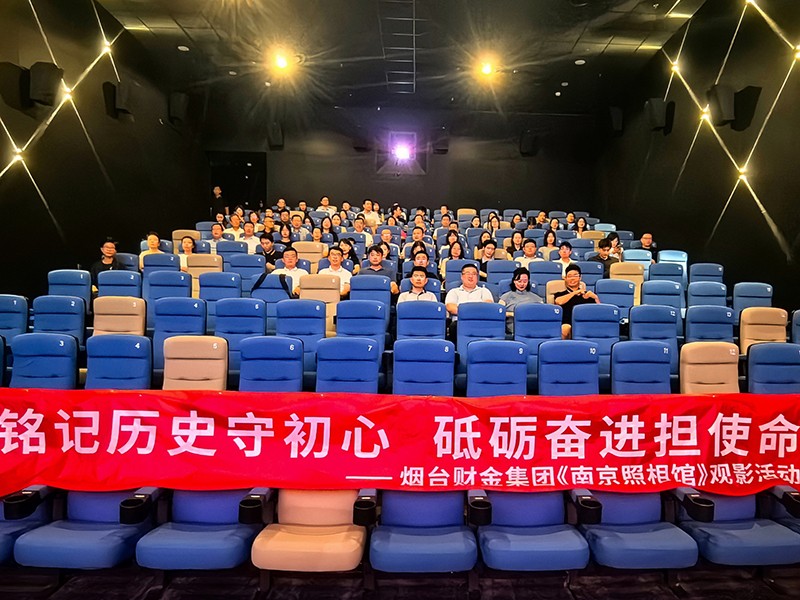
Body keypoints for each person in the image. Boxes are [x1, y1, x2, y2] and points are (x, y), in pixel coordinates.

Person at [444, 263, 494, 339]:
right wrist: (475, 312)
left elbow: (488, 307)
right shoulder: (454, 292)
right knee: (453, 326)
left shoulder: (484, 291)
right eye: (468, 273)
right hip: (460, 323)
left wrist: (466, 311)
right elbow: (451, 308)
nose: (471, 276)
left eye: (474, 274)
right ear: (462, 276)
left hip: (480, 322)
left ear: (477, 277)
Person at [554, 264, 600, 339]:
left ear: (580, 277)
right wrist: (575, 292)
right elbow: (559, 302)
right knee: (565, 328)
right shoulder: (560, 294)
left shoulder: (588, 295)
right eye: (569, 276)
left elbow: (599, 312)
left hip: (585, 325)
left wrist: (596, 298)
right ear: (565, 278)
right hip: (568, 326)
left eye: (575, 276)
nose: (572, 278)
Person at [499, 267, 543, 333]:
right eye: (519, 281)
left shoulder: (537, 298)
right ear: (514, 281)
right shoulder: (505, 297)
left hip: (534, 325)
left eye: (525, 281)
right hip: (516, 326)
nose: (522, 284)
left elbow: (543, 313)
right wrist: (513, 314)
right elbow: (498, 312)